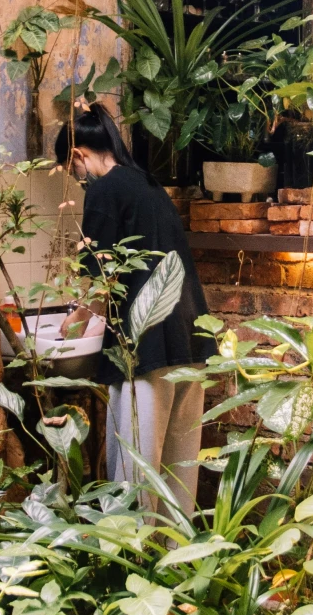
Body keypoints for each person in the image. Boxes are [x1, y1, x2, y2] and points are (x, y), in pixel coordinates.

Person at [54, 102, 209, 508]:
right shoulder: (148, 184)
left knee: (135, 469)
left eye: (72, 172)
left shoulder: (105, 189)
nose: (78, 180)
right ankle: (176, 559)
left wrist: (74, 318)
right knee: (179, 466)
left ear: (78, 156)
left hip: (147, 343)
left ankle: (131, 561)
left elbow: (100, 276)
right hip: (191, 338)